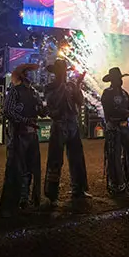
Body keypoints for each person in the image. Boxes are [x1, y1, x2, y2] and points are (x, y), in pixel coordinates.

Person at [0, 63, 45, 217]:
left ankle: (24, 198)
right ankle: (15, 200)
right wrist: (25, 120)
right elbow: (8, 111)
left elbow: (41, 111)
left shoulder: (34, 92)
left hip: (30, 134)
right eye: (30, 72)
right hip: (19, 134)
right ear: (24, 75)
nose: (34, 75)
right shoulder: (15, 91)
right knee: (17, 168)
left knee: (29, 167)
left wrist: (45, 109)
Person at [44, 59, 91, 206]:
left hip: (72, 123)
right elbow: (53, 102)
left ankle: (79, 189)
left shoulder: (70, 85)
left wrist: (77, 84)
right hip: (59, 125)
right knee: (55, 160)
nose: (63, 73)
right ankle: (52, 195)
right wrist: (64, 86)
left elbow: (80, 101)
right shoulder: (50, 87)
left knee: (77, 158)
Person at [100, 67, 129, 195]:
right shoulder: (107, 93)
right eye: (118, 78)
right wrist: (126, 112)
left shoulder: (124, 93)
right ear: (113, 80)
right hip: (114, 127)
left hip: (124, 126)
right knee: (114, 157)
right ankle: (117, 185)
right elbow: (109, 110)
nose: (120, 81)